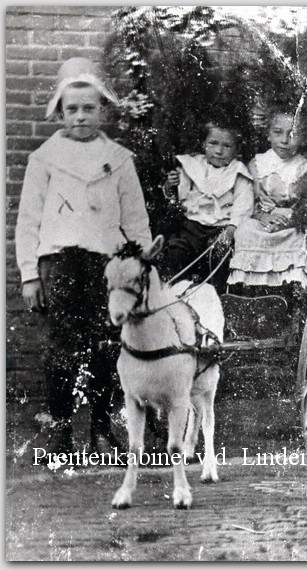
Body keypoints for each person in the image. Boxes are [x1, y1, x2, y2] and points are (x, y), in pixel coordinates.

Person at [15, 57, 152, 455]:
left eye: (88, 108)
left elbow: (136, 219)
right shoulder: (44, 159)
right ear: (60, 112)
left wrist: (141, 263)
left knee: (108, 344)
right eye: (71, 109)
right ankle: (60, 430)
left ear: (102, 110)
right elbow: (28, 221)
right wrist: (29, 274)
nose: (80, 117)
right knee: (63, 346)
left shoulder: (120, 159)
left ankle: (100, 427)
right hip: (59, 264)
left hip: (106, 266)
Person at [228, 106, 307, 306]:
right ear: (268, 135)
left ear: (301, 137)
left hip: (291, 222)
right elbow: (248, 200)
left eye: (292, 134)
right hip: (262, 218)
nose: (284, 140)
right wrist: (262, 217)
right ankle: (250, 293)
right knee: (245, 231)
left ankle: (292, 293)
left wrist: (292, 219)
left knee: (299, 237)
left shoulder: (305, 168)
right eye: (278, 133)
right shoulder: (258, 164)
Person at [161, 119, 254, 290]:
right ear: (204, 144)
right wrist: (171, 185)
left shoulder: (238, 171)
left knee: (219, 257)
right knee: (176, 251)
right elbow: (179, 195)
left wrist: (231, 229)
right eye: (213, 143)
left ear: (236, 150)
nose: (219, 151)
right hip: (191, 227)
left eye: (227, 146)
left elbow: (243, 204)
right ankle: (175, 293)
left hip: (220, 229)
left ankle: (218, 297)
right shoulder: (193, 165)